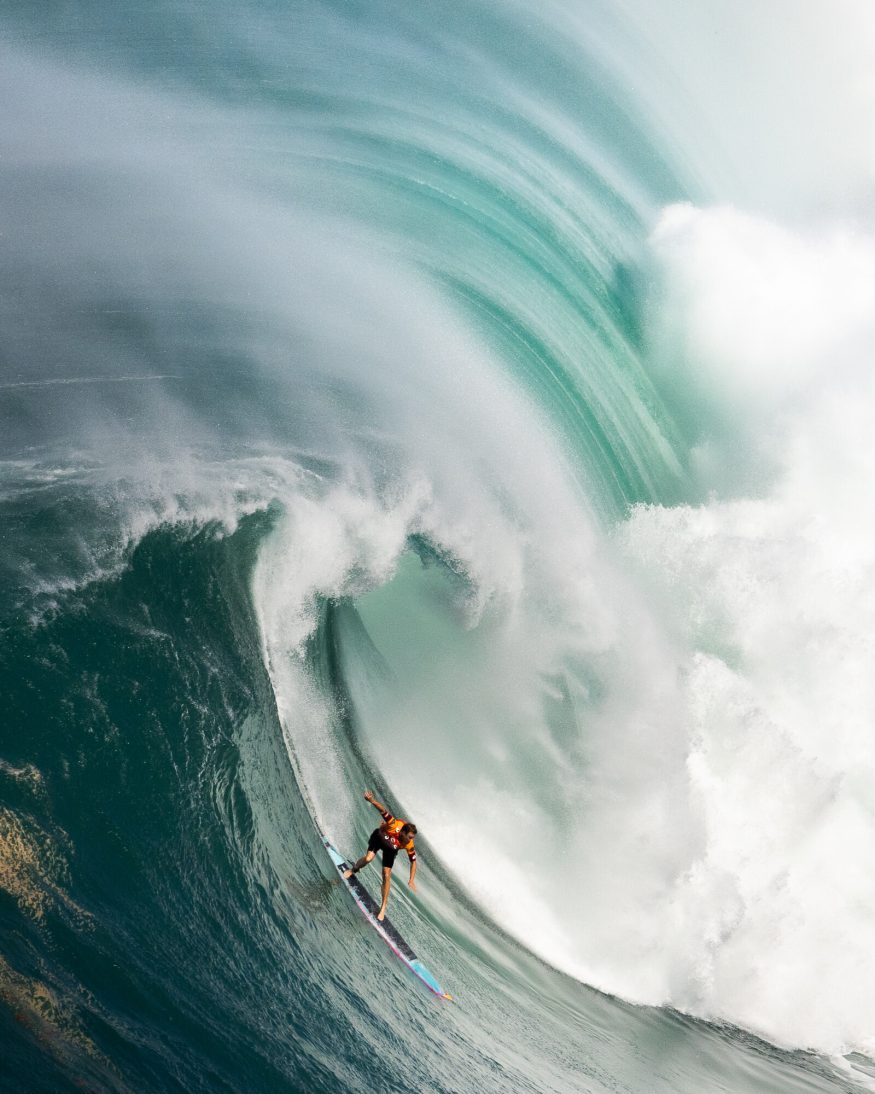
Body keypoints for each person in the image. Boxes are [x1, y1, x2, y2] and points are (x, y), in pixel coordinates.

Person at [343, 789, 417, 921]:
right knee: (368, 858)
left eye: (412, 838)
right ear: (403, 832)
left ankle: (383, 906)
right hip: (379, 837)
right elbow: (383, 810)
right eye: (409, 837)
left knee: (386, 874)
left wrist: (411, 879)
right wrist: (371, 800)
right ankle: (353, 869)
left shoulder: (409, 844)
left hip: (391, 849)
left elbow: (413, 861)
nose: (410, 840)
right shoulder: (394, 824)